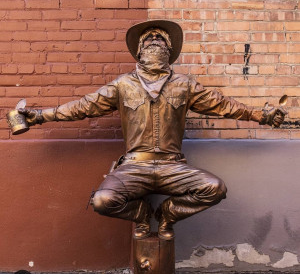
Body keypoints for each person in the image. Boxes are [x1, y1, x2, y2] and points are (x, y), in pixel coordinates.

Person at [19, 20, 286, 240]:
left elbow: (224, 106)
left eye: (161, 38)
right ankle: (142, 214)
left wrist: (261, 116)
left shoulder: (185, 85)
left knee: (214, 188)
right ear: (139, 51)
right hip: (134, 167)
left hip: (173, 167)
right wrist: (40, 116)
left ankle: (167, 214)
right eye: (148, 38)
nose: (155, 39)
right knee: (102, 201)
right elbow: (83, 107)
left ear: (170, 50)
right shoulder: (123, 85)